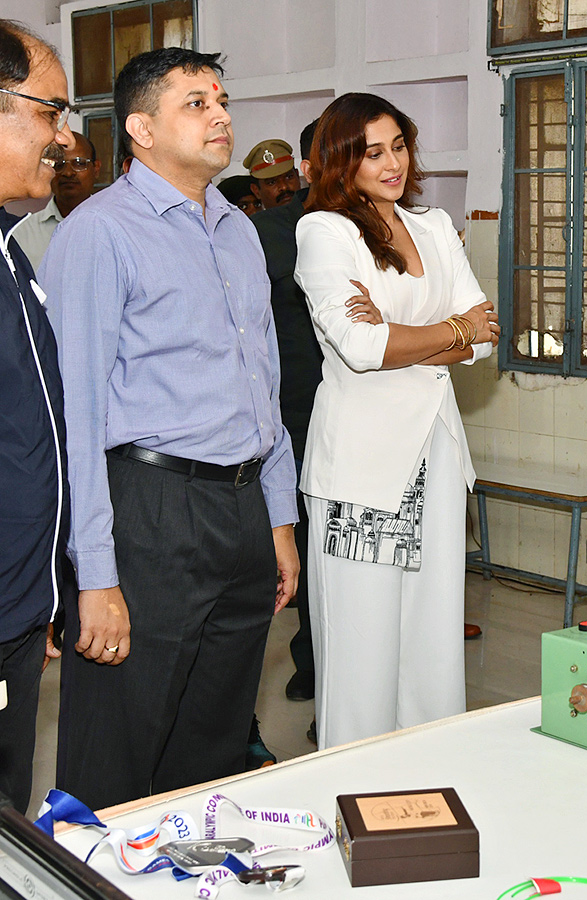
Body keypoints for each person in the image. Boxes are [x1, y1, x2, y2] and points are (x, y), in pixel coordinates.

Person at [42, 47, 299, 810]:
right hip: (149, 507)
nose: (220, 114)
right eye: (195, 102)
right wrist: (95, 576)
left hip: (242, 504)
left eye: (221, 98)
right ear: (141, 129)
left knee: (215, 737)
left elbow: (266, 388)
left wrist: (278, 519)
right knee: (116, 742)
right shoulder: (99, 233)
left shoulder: (236, 231)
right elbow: (77, 417)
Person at [294, 93, 498, 748]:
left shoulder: (435, 225)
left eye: (399, 146)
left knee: (434, 636)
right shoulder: (325, 232)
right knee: (362, 648)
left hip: (434, 449)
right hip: (363, 465)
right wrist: (450, 330)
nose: (391, 164)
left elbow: (486, 338)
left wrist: (415, 335)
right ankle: (353, 788)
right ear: (341, 160)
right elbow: (362, 348)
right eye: (372, 152)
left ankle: (426, 776)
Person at [0, 18, 73, 814]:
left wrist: (41, 596)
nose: (64, 135)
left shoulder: (13, 251)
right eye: (50, 111)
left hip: (19, 608)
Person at [253, 120, 320, 734]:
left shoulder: (394, 225)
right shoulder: (272, 232)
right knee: (302, 543)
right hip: (295, 413)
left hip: (374, 415)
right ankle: (311, 657)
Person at [11, 129, 100, 269]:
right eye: (59, 165)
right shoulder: (22, 232)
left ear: (96, 169)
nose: (68, 173)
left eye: (79, 163)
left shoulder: (113, 225)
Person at [245, 138, 300, 210]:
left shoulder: (316, 217)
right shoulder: (256, 221)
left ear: (297, 175)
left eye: (289, 177)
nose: (284, 187)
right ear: (256, 191)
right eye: (272, 182)